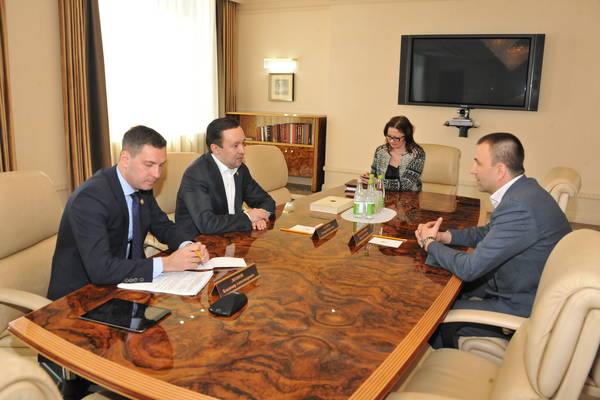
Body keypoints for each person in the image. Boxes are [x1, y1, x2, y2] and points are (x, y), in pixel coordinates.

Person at [415, 132, 571, 347]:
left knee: (429, 315)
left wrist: (429, 244)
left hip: (521, 303)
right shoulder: (525, 191)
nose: (472, 170)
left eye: (478, 163)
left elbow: (469, 268)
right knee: (439, 290)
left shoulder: (519, 207)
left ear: (500, 170)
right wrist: (444, 237)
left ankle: (442, 360)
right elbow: (489, 232)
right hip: (515, 281)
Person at [48, 125, 209, 301]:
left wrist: (188, 246)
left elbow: (162, 225)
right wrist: (167, 263)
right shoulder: (89, 199)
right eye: (149, 165)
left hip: (125, 286)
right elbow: (101, 270)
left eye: (161, 165)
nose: (156, 174)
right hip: (81, 298)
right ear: (125, 159)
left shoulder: (141, 185)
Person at [175, 117, 275, 236]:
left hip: (232, 235)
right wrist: (248, 217)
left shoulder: (240, 169)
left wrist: (260, 217)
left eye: (243, 143)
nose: (242, 151)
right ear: (216, 149)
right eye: (235, 145)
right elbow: (207, 224)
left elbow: (267, 201)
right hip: (199, 242)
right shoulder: (196, 174)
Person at [362, 115, 425, 191]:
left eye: (396, 138)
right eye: (389, 136)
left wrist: (379, 182)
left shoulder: (417, 154)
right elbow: (374, 175)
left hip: (409, 196)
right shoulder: (381, 151)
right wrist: (368, 177)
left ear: (407, 136)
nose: (391, 141)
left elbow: (406, 184)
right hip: (382, 195)